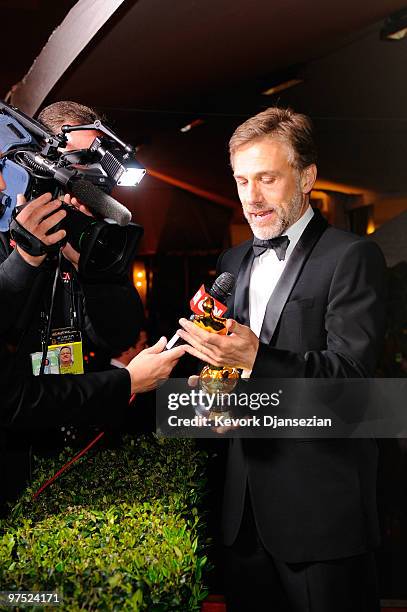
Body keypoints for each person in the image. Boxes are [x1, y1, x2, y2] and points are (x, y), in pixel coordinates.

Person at [178, 107, 387, 612]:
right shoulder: (232, 262)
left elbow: (353, 380)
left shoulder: (352, 257)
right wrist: (212, 396)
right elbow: (229, 374)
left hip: (320, 518)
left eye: (267, 179)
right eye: (242, 181)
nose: (251, 197)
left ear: (307, 177)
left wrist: (258, 355)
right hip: (242, 521)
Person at [0, 155, 185, 514]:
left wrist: (89, 266)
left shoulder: (89, 239)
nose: (81, 197)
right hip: (15, 470)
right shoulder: (11, 247)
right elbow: (12, 398)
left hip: (83, 457)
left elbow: (120, 334)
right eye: (74, 177)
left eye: (96, 185)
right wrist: (27, 259)